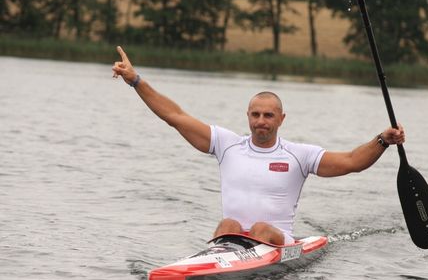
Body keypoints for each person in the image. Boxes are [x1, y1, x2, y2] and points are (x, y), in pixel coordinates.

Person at [112, 46, 405, 246]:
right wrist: (135, 80)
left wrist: (382, 140)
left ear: (281, 119)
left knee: (262, 228)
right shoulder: (226, 145)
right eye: (255, 114)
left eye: (268, 115)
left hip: (278, 243)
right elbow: (175, 116)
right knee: (228, 224)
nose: (261, 121)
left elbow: (352, 161)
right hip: (230, 242)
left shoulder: (298, 155)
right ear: (248, 116)